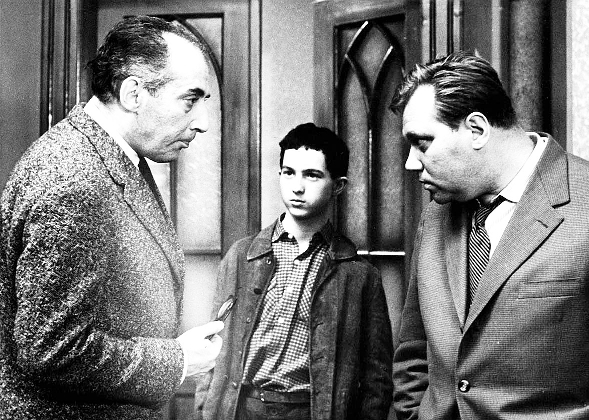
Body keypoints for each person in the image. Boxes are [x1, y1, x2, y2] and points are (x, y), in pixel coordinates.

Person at [0, 16, 224, 420]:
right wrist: (176, 360)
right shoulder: (74, 179)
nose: (203, 122)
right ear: (133, 93)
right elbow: (50, 348)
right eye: (190, 100)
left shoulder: (106, 157)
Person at [390, 51, 589, 420]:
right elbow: (414, 351)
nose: (411, 162)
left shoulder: (586, 205)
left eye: (422, 143)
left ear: (477, 129)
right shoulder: (435, 215)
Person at [194, 123, 393, 420]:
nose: (297, 187)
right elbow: (212, 349)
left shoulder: (359, 275)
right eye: (288, 173)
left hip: (312, 412)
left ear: (338, 185)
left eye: (312, 175)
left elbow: (377, 380)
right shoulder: (241, 256)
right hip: (242, 410)